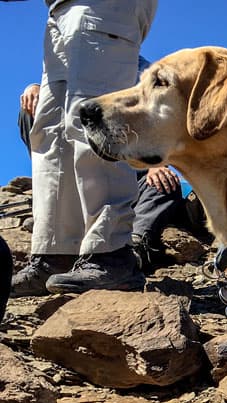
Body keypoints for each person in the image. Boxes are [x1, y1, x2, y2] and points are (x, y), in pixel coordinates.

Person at [7, 0, 159, 296]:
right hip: (59, 10)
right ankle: (56, 255)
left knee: (93, 121)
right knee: (52, 134)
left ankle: (111, 255)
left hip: (100, 5)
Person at [17, 79, 185, 277]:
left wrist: (154, 163)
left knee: (163, 184)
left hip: (126, 167)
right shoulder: (71, 69)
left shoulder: (139, 73)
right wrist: (35, 88)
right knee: (34, 106)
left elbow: (155, 122)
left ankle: (132, 250)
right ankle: (57, 244)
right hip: (74, 171)